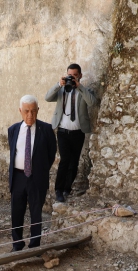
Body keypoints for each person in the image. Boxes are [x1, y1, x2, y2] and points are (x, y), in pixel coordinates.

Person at [7, 95, 56, 251]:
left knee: (36, 213)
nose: (30, 115)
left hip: (37, 177)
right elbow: (14, 151)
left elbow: (51, 154)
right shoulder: (13, 130)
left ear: (38, 111)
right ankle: (17, 244)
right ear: (20, 111)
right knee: (17, 211)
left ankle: (34, 245)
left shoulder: (46, 129)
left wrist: (39, 170)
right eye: (26, 111)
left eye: (33, 111)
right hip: (18, 177)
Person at [45, 63, 97, 202]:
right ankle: (59, 190)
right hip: (62, 132)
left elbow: (92, 102)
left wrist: (79, 86)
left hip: (78, 133)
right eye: (70, 75)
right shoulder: (62, 90)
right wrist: (58, 84)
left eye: (75, 75)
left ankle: (67, 189)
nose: (72, 78)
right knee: (64, 161)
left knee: (74, 163)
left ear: (80, 75)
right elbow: (47, 97)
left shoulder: (85, 91)